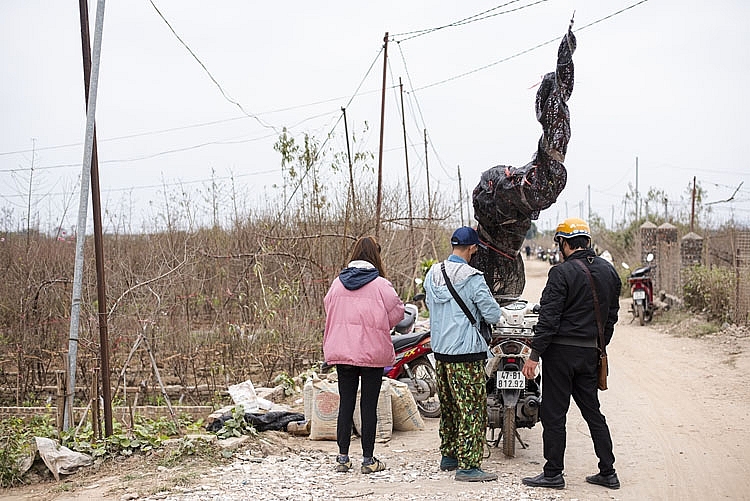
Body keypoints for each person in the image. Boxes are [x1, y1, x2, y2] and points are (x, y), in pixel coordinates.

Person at [521, 218, 621, 490]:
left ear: (564, 243)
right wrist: (600, 346)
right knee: (593, 412)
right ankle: (608, 471)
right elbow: (611, 317)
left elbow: (549, 319)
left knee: (554, 414)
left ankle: (553, 473)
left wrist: (534, 355)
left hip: (560, 355)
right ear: (586, 242)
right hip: (590, 353)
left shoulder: (561, 273)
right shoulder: (609, 272)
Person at [424, 226, 501, 482]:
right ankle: (468, 466)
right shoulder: (473, 277)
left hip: (441, 353)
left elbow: (430, 306)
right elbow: (491, 314)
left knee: (448, 407)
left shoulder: (433, 273)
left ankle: (449, 455)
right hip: (466, 355)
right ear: (472, 248)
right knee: (472, 409)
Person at [323, 236, 404, 474]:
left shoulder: (337, 283)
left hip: (343, 352)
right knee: (369, 405)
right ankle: (368, 460)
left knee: (346, 402)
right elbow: (397, 313)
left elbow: (329, 308)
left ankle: (342, 458)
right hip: (371, 354)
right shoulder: (381, 285)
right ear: (376, 256)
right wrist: (380, 324)